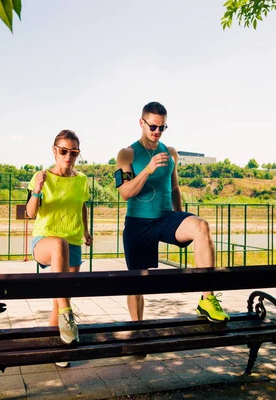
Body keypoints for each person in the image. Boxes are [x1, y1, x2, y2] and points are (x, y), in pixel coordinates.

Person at [115, 101, 229, 323]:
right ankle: (137, 330)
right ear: (141, 122)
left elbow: (175, 187)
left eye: (162, 127)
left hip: (166, 218)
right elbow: (125, 192)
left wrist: (180, 217)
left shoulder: (170, 153)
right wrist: (148, 170)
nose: (157, 132)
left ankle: (207, 299)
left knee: (200, 226)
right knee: (136, 283)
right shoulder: (126, 154)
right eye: (153, 127)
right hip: (138, 223)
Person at [26, 129, 93, 367]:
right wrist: (37, 189)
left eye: (73, 152)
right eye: (64, 151)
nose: (68, 156)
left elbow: (82, 206)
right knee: (58, 245)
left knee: (60, 298)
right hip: (45, 241)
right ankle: (69, 316)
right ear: (54, 151)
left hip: (73, 243)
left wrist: (85, 231)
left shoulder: (82, 180)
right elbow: (31, 212)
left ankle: (58, 350)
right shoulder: (41, 176)